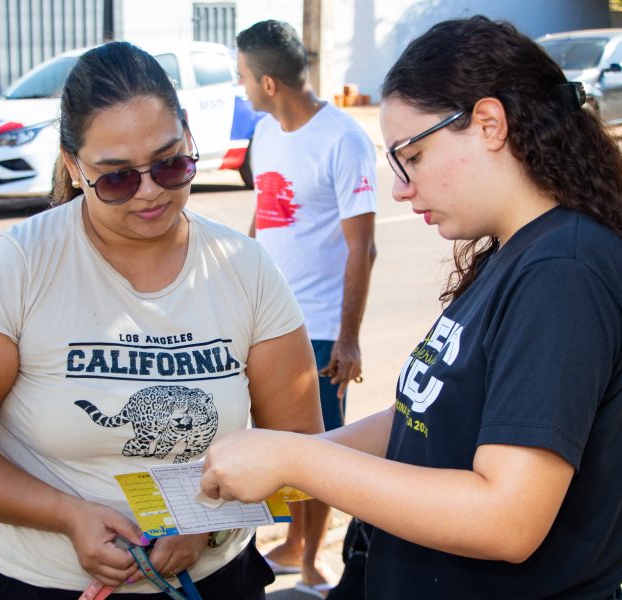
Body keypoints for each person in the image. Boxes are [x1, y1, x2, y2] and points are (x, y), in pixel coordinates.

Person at [201, 16, 622, 600]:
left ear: (487, 123)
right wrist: (292, 460)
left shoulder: (565, 272)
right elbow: (422, 416)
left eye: (411, 155)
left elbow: (505, 518)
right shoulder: (516, 253)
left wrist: (293, 461)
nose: (402, 188)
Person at [0, 41, 324, 600]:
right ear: (73, 166)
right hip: (33, 583)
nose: (150, 191)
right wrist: (67, 515)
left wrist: (211, 523)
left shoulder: (244, 269)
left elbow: (300, 447)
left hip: (215, 580)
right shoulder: (19, 265)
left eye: (171, 162)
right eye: (118, 177)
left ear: (191, 139)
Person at [235, 20, 378, 597]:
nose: (239, 87)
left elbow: (362, 247)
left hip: (318, 327)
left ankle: (315, 561)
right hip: (264, 322)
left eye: (242, 76)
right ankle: (293, 543)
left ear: (268, 82)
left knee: (317, 448)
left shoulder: (343, 139)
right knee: (274, 441)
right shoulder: (266, 133)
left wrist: (347, 339)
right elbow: (262, 220)